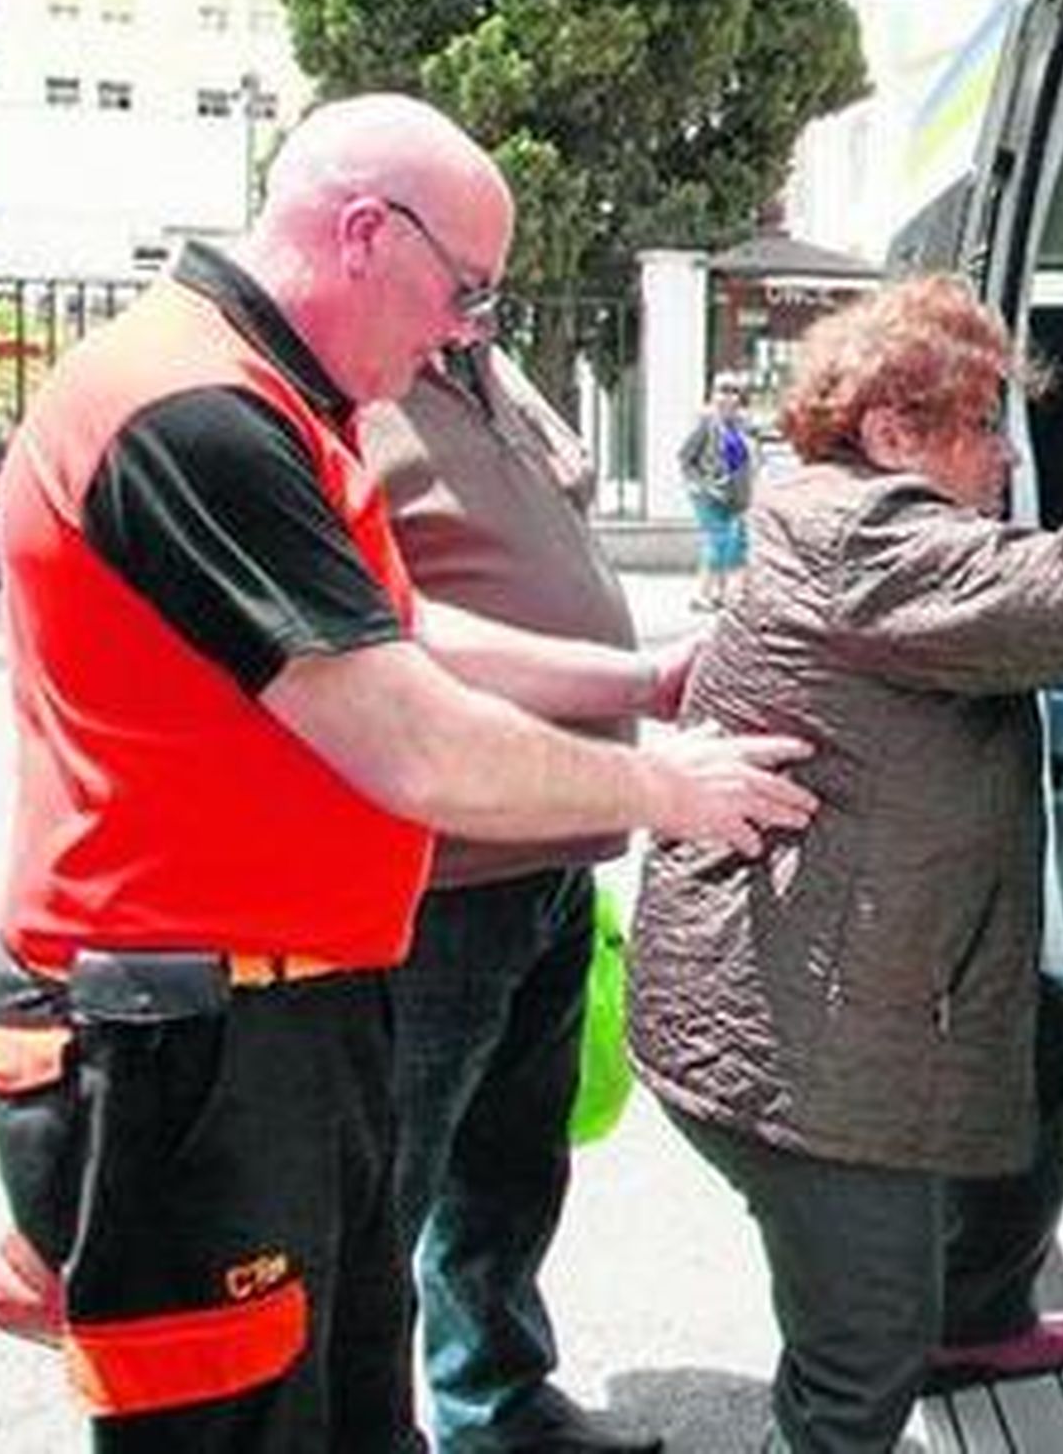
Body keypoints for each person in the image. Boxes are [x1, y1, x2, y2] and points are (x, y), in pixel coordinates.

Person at [0, 93, 815, 1454]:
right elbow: (405, 731)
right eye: (464, 288)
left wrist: (633, 680)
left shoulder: (279, 399)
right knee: (236, 1423)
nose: (465, 330)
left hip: (281, 1015)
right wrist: (669, 785)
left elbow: (392, 627)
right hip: (186, 1043)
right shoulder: (194, 413)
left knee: (352, 1398)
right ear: (365, 231)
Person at [628, 274, 1063, 1454]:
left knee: (1047, 1039)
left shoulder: (847, 521)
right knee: (859, 1342)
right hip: (797, 1042)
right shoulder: (864, 535)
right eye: (981, 429)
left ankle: (971, 1321)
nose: (1005, 460)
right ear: (890, 433)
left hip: (828, 977)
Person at [362, 345, 664, 1454]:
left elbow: (566, 479)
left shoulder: (474, 365)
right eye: (462, 270)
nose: (478, 292)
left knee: (513, 1158)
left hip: (547, 855)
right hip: (444, 873)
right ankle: (362, 1419)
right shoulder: (350, 375)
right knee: (392, 1179)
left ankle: (495, 1400)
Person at [677, 371, 755, 609]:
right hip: (708, 495)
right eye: (722, 390)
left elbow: (747, 460)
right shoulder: (706, 422)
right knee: (717, 541)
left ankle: (724, 593)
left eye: (733, 391)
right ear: (712, 394)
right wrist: (702, 485)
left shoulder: (741, 424)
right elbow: (685, 457)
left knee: (736, 545)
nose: (728, 397)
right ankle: (701, 595)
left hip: (735, 496)